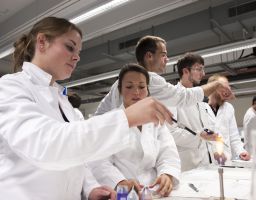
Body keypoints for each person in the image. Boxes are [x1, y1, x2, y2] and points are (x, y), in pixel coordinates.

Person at [0, 17, 173, 200]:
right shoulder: (11, 87)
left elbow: (78, 160)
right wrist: (126, 118)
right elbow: (46, 145)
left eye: (79, 51)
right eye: (70, 47)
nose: (77, 57)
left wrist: (90, 188)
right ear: (42, 42)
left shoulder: (62, 100)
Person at [89, 64, 180, 197]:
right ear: (120, 90)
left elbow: (168, 151)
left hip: (154, 189)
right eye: (129, 86)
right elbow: (99, 161)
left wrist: (167, 174)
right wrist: (120, 181)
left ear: (147, 90)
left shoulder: (156, 121)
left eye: (142, 87)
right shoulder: (109, 121)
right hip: (123, 193)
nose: (136, 92)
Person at [95, 35, 234, 115]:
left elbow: (100, 113)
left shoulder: (117, 83)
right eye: (163, 55)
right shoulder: (150, 79)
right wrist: (216, 84)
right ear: (149, 56)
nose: (167, 59)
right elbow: (183, 97)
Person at [167, 53, 219, 171]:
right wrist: (199, 136)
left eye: (203, 69)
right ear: (185, 71)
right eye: (199, 69)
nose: (203, 73)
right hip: (188, 167)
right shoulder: (173, 97)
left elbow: (204, 131)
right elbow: (171, 133)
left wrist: (214, 148)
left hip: (208, 164)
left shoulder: (200, 100)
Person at [203, 74, 250, 164]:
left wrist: (241, 151)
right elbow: (200, 132)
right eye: (223, 86)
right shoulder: (200, 107)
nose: (227, 90)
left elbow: (234, 136)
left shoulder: (229, 108)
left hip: (226, 159)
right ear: (212, 87)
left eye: (228, 86)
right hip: (207, 160)